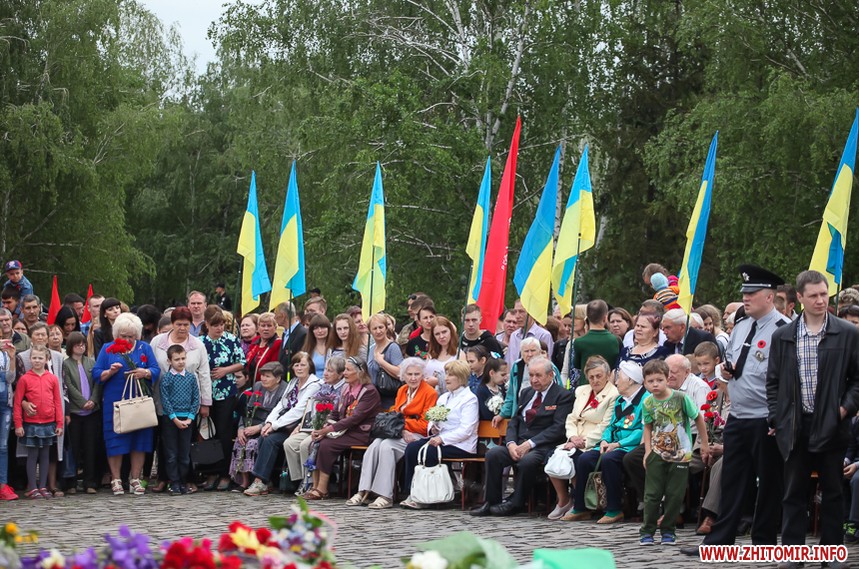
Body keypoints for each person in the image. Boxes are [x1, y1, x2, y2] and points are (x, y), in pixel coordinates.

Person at [681, 264, 791, 556]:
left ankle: (764, 542)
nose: (746, 297)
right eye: (744, 292)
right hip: (738, 416)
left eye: (752, 293)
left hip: (765, 418)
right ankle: (719, 541)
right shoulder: (741, 326)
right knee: (732, 479)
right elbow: (727, 365)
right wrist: (724, 372)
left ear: (770, 296)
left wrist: (781, 416)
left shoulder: (784, 330)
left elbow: (789, 378)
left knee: (768, 481)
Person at [767, 270, 859, 567]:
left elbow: (857, 380)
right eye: (814, 295)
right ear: (800, 298)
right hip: (796, 424)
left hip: (833, 424)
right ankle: (793, 553)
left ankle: (831, 553)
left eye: (824, 294)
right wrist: (776, 417)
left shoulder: (847, 333)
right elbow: (773, 382)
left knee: (832, 491)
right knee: (793, 492)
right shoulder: (784, 336)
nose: (821, 300)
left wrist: (843, 410)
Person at [471, 356, 572, 516]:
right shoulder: (526, 392)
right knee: (494, 454)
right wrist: (511, 443)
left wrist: (530, 444)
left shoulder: (562, 395)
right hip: (518, 443)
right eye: (531, 375)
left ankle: (516, 503)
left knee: (527, 461)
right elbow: (515, 421)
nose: (534, 380)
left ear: (550, 375)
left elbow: (558, 428)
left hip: (542, 446)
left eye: (538, 375)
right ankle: (491, 502)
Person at [563, 361, 647, 523]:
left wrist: (618, 444)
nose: (616, 382)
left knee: (609, 459)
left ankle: (614, 509)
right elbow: (610, 425)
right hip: (611, 443)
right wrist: (604, 440)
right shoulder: (620, 400)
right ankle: (581, 507)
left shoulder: (645, 399)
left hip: (628, 446)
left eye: (619, 378)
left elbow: (642, 431)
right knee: (585, 458)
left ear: (630, 380)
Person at [349, 357, 438, 509]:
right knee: (375, 445)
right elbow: (395, 416)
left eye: (417, 374)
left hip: (417, 434)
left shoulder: (430, 393)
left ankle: (385, 495)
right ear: (403, 376)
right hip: (400, 432)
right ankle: (364, 490)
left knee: (387, 446)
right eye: (409, 374)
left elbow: (425, 425)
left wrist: (401, 426)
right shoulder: (402, 390)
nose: (413, 378)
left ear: (422, 375)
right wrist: (401, 429)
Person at [639, 359, 709, 546]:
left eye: (659, 380)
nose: (655, 384)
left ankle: (668, 531)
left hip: (681, 453)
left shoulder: (680, 398)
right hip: (657, 452)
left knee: (675, 494)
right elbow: (648, 426)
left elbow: (698, 418)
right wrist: (647, 451)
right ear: (645, 383)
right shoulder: (647, 402)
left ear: (667, 378)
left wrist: (704, 443)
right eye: (650, 381)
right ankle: (647, 531)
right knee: (652, 494)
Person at [92, 312, 161, 496]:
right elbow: (96, 373)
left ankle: (135, 478)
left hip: (139, 403)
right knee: (115, 440)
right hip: (115, 402)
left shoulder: (144, 348)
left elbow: (155, 369)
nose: (128, 340)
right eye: (123, 336)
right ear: (116, 334)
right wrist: (110, 372)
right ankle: (116, 479)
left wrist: (144, 372)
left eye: (131, 336)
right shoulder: (107, 349)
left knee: (139, 440)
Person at [546, 356, 619, 520]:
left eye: (599, 376)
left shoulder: (613, 395)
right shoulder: (582, 391)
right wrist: (572, 437)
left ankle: (581, 503)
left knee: (578, 459)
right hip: (575, 438)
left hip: (593, 441)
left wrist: (583, 441)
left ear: (608, 376)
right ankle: (564, 500)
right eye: (591, 377)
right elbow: (571, 418)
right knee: (551, 456)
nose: (595, 380)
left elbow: (605, 425)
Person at [150, 307, 212, 492]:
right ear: (172, 323)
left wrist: (205, 402)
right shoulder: (158, 342)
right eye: (179, 324)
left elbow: (204, 373)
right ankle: (165, 478)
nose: (183, 328)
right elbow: (152, 366)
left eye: (186, 324)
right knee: (165, 442)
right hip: (163, 398)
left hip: (188, 402)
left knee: (186, 445)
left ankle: (186, 479)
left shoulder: (197, 345)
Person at [401, 360, 478, 509]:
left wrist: (442, 438)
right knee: (412, 448)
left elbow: (466, 429)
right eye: (446, 374)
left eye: (451, 375)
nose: (446, 378)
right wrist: (434, 428)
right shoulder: (444, 397)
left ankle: (429, 496)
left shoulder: (470, 399)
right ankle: (412, 491)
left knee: (430, 452)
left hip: (461, 444)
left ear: (461, 378)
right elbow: (432, 420)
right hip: (440, 439)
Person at [244, 351, 322, 496]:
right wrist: (269, 423)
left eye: (303, 365)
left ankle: (260, 481)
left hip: (301, 426)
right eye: (296, 365)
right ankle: (266, 481)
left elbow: (299, 410)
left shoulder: (315, 384)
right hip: (284, 424)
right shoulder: (293, 382)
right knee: (264, 436)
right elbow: (281, 405)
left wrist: (274, 426)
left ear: (310, 367)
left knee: (271, 440)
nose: (299, 368)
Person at [304, 357, 381, 500]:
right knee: (316, 442)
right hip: (345, 431)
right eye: (345, 369)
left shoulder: (369, 391)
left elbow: (354, 419)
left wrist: (328, 430)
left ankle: (322, 489)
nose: (344, 372)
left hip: (361, 433)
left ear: (360, 372)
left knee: (327, 444)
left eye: (348, 370)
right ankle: (314, 486)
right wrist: (323, 427)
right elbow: (335, 413)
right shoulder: (346, 388)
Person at [282, 356, 346, 491]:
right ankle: (300, 479)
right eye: (326, 370)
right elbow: (311, 407)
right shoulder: (324, 386)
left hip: (330, 428)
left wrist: (323, 427)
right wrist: (300, 426)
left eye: (330, 371)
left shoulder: (344, 389)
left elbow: (339, 415)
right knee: (289, 443)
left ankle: (309, 482)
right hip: (313, 425)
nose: (325, 373)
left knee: (306, 445)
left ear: (340, 374)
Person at [200, 306, 246, 491]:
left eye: (221, 325)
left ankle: (225, 473)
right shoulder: (200, 342)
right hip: (206, 392)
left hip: (225, 391)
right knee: (208, 433)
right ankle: (210, 472)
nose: (219, 328)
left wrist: (226, 370)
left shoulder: (231, 340)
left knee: (224, 432)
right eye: (215, 325)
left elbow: (242, 362)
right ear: (207, 325)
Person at [228, 362, 288, 491]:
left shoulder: (284, 390)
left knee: (254, 443)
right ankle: (244, 481)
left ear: (278, 378)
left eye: (267, 376)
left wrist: (260, 427)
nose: (263, 379)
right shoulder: (258, 386)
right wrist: (241, 428)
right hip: (252, 423)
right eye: (262, 375)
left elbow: (281, 415)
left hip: (272, 426)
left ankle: (260, 480)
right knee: (241, 440)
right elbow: (247, 410)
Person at [14, 345, 63, 499]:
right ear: (30, 359)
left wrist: (59, 423)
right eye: (34, 358)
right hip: (31, 423)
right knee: (32, 455)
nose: (37, 360)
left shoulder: (52, 378)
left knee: (45, 455)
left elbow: (58, 402)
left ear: (46, 359)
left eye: (40, 358)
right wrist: (18, 424)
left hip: (49, 423)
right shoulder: (24, 379)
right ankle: (33, 487)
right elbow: (18, 402)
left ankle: (42, 486)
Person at [159, 344, 201, 496]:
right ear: (169, 361)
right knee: (171, 453)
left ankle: (183, 481)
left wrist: (190, 418)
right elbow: (165, 400)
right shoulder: (166, 378)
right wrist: (174, 418)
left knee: (184, 453)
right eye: (177, 359)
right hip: (171, 420)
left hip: (187, 419)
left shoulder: (191, 377)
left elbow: (196, 398)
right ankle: (174, 482)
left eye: (183, 358)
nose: (181, 362)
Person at [62, 332, 101, 494]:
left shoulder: (91, 362)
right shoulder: (66, 364)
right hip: (75, 412)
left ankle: (90, 482)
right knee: (74, 448)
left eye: (83, 344)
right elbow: (68, 385)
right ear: (71, 346)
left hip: (92, 412)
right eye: (77, 344)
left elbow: (97, 383)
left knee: (90, 447)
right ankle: (71, 482)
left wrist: (93, 400)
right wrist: (82, 402)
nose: (81, 347)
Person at [572, 300, 620, 374]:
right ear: (605, 318)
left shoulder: (579, 342)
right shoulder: (615, 340)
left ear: (587, 318)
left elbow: (577, 365)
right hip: (609, 379)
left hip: (587, 379)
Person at [367, 313, 404, 409]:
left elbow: (400, 373)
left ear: (386, 328)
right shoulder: (371, 349)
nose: (378, 331)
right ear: (370, 331)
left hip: (389, 400)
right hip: (374, 399)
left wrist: (382, 362)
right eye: (374, 328)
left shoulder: (393, 347)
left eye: (381, 327)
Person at [505, 299, 553, 368]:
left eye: (521, 312)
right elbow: (509, 362)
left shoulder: (543, 335)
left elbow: (547, 363)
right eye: (515, 312)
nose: (517, 316)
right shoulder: (514, 335)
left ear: (531, 313)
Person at [0, 333, 16, 500]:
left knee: (3, 446)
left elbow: (10, 379)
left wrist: (11, 359)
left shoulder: (4, 354)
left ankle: (3, 484)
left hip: (5, 404)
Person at [246, 313, 283, 383]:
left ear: (275, 327)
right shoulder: (255, 341)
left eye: (269, 326)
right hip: (249, 383)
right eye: (263, 326)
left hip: (266, 383)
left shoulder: (278, 343)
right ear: (258, 328)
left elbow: (273, 368)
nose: (266, 329)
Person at [425, 316, 458, 391]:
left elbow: (462, 380)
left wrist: (438, 381)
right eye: (437, 334)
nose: (441, 336)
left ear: (451, 331)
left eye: (444, 332)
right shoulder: (430, 354)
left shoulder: (459, 354)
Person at [276, 301, 306, 373]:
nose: (275, 317)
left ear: (283, 316)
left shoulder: (302, 334)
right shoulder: (285, 333)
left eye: (276, 314)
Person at [475, 357, 508, 421]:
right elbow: (485, 414)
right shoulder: (482, 391)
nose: (505, 378)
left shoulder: (502, 388)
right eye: (502, 375)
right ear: (491, 373)